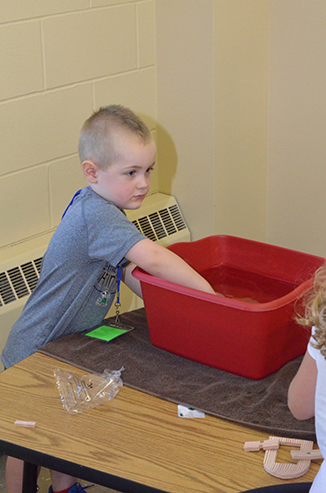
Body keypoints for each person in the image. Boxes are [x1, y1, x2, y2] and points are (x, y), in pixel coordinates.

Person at [1, 104, 217, 493]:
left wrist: (176, 313)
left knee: (66, 424)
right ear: (92, 171)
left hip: (66, 346)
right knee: (27, 439)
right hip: (34, 347)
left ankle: (64, 489)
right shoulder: (95, 214)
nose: (143, 183)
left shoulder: (108, 210)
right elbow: (151, 258)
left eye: (148, 170)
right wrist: (211, 298)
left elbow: (133, 274)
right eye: (131, 172)